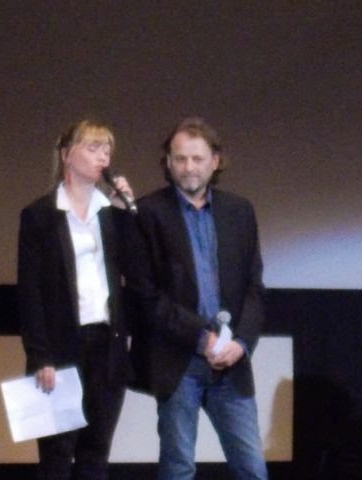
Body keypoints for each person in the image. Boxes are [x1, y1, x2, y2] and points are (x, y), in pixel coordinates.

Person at [133, 117, 268, 479]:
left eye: (197, 158)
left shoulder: (239, 211)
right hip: (179, 360)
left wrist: (241, 343)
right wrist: (201, 338)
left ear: (215, 161)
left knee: (252, 468)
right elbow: (146, 296)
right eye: (180, 159)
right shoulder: (149, 213)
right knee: (178, 467)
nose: (188, 167)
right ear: (168, 162)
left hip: (232, 361)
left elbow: (254, 287)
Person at [17, 119, 151, 480]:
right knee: (58, 454)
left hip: (107, 344)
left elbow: (137, 269)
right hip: (61, 346)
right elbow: (30, 292)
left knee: (96, 452)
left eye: (107, 150)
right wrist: (40, 356)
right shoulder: (40, 216)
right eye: (93, 148)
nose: (103, 158)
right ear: (66, 154)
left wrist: (128, 212)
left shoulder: (110, 214)